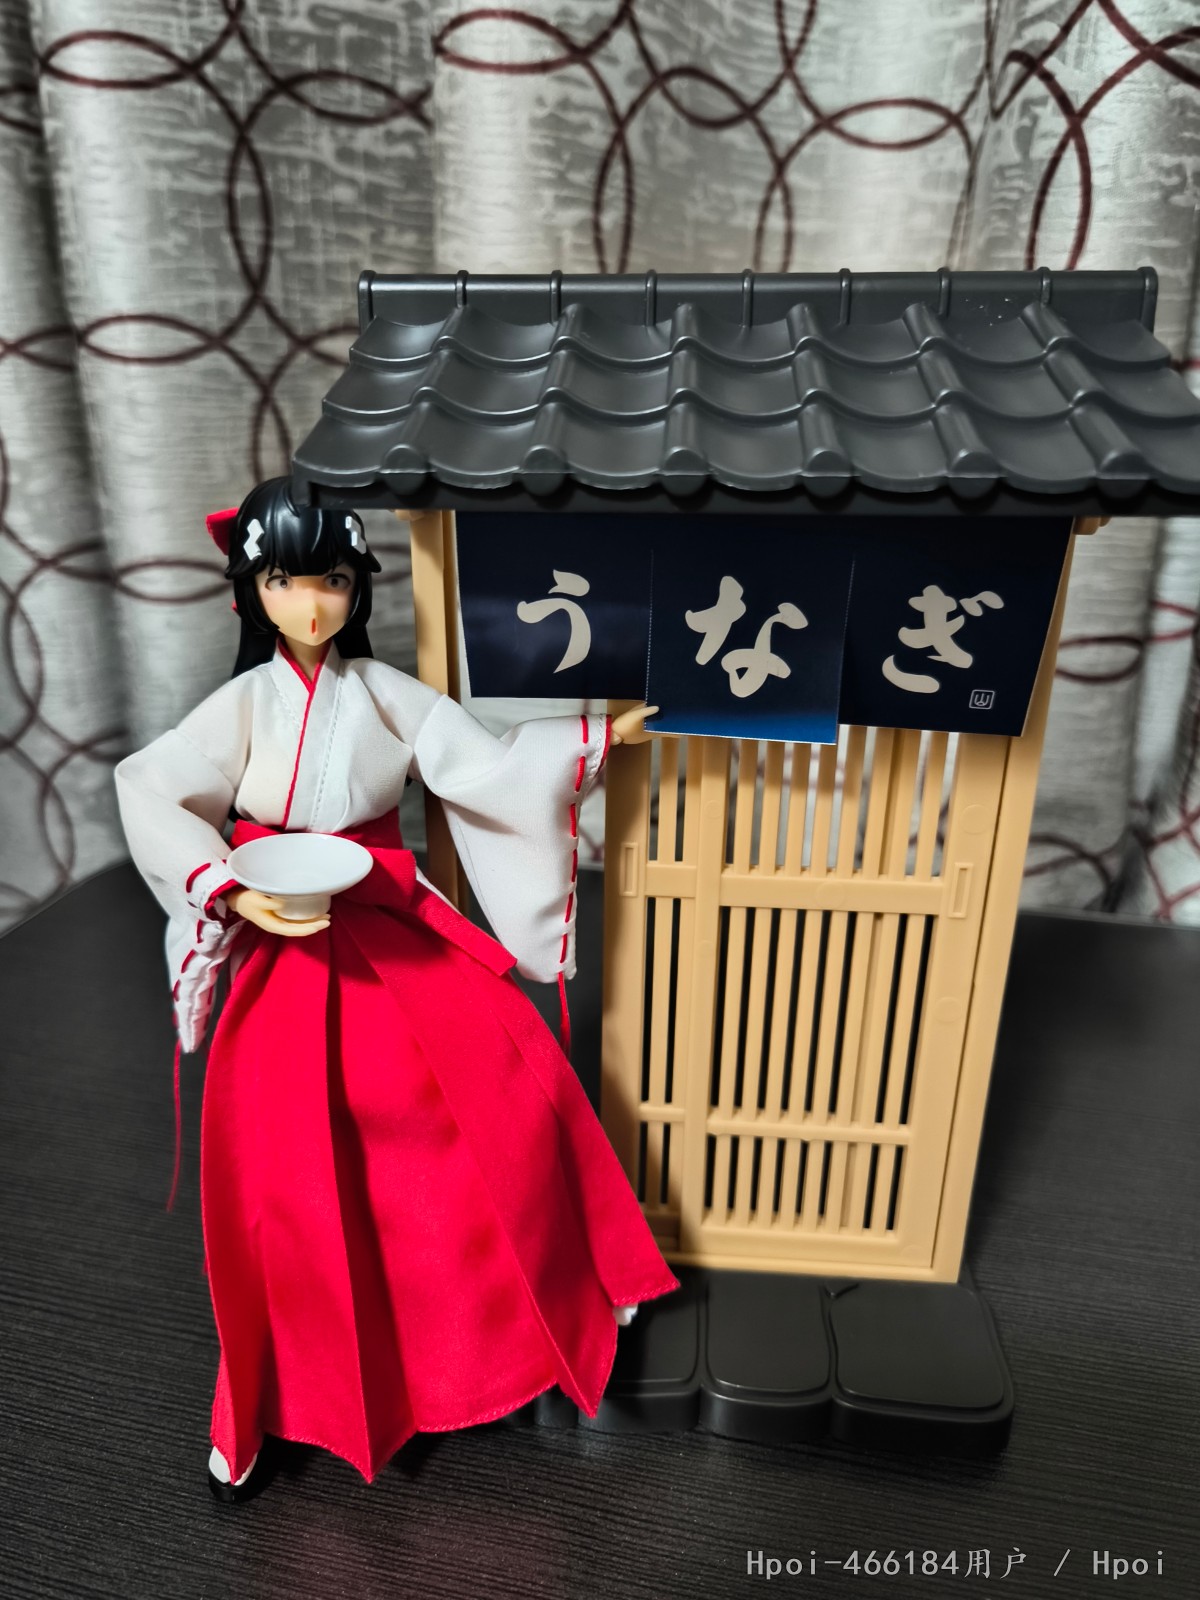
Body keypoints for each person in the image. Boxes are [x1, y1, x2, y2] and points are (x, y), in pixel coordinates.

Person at [114, 478, 677, 1500]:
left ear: (356, 588)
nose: (312, 604)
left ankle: (568, 1288)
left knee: (508, 1095)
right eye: (286, 582)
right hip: (286, 942)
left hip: (389, 921)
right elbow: (149, 788)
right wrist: (229, 886)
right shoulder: (241, 707)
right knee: (286, 1175)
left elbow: (486, 770)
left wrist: (591, 740)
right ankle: (276, 1397)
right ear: (253, 591)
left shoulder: (381, 694)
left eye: (331, 579)